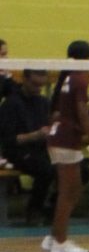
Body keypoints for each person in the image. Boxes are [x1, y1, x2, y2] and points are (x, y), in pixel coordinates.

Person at [44, 41, 89, 252]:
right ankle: (60, 242)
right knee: (68, 192)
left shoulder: (69, 77)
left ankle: (54, 237)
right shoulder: (79, 78)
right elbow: (83, 114)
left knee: (73, 190)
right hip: (65, 139)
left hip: (62, 137)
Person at [0, 66, 54, 225]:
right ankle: (34, 210)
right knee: (46, 170)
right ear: (24, 79)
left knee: (80, 169)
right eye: (34, 84)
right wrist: (35, 135)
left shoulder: (44, 103)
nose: (38, 89)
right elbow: (8, 140)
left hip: (41, 149)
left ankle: (54, 207)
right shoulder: (11, 104)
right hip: (17, 152)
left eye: (41, 85)